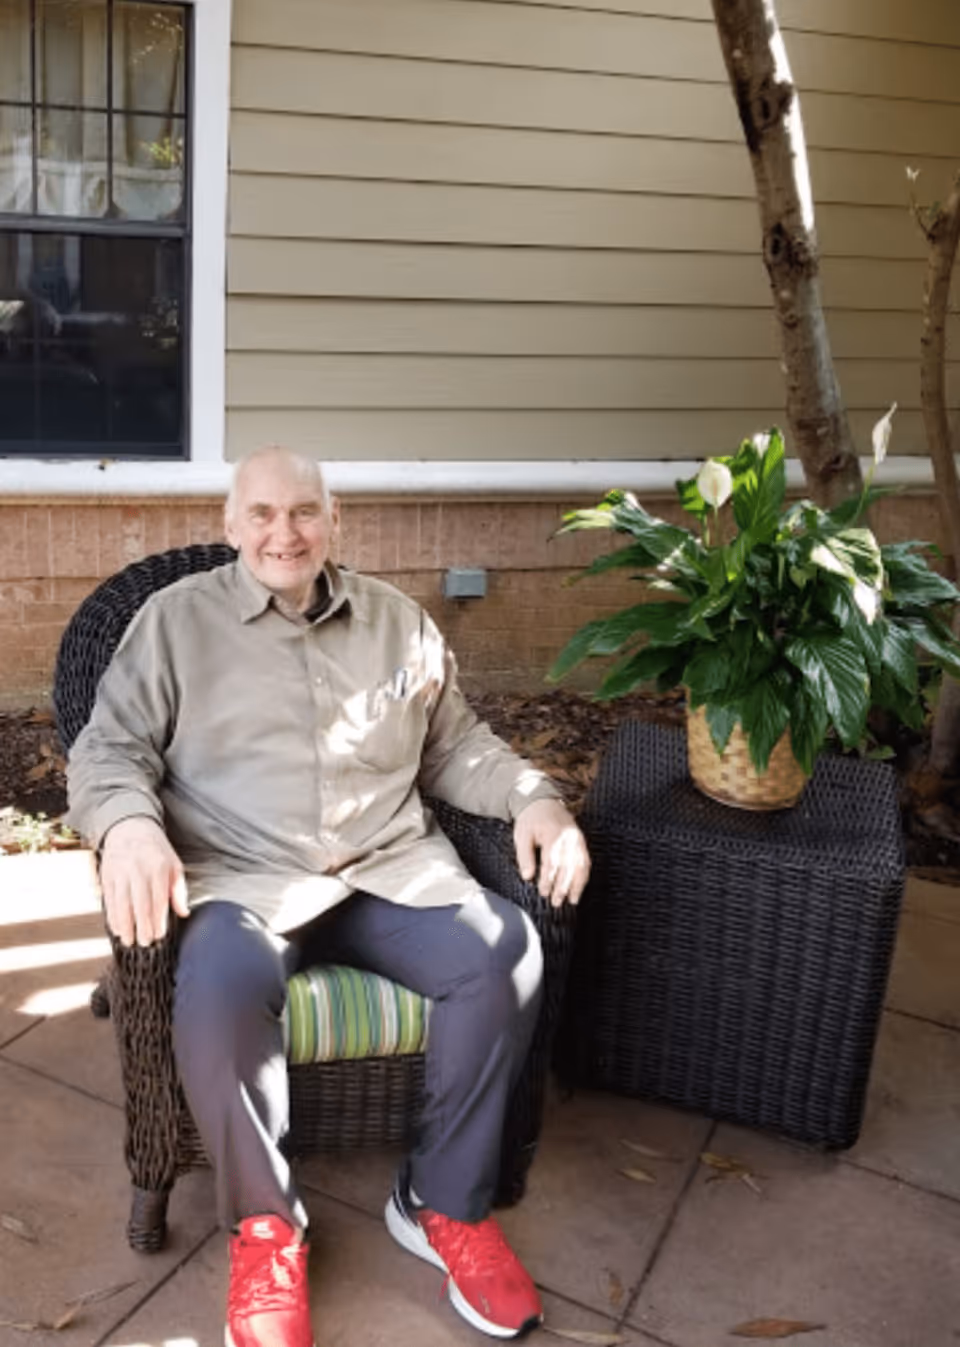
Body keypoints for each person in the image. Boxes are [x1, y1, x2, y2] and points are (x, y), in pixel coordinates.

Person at [67, 446, 591, 1347]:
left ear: (334, 518)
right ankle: (267, 1227)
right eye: (262, 514)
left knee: (505, 949)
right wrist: (128, 827)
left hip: (389, 869)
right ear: (231, 527)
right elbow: (109, 750)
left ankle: (442, 1201)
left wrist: (536, 797)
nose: (285, 531)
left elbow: (456, 748)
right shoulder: (173, 624)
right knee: (220, 985)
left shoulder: (397, 623)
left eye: (303, 511)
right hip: (244, 878)